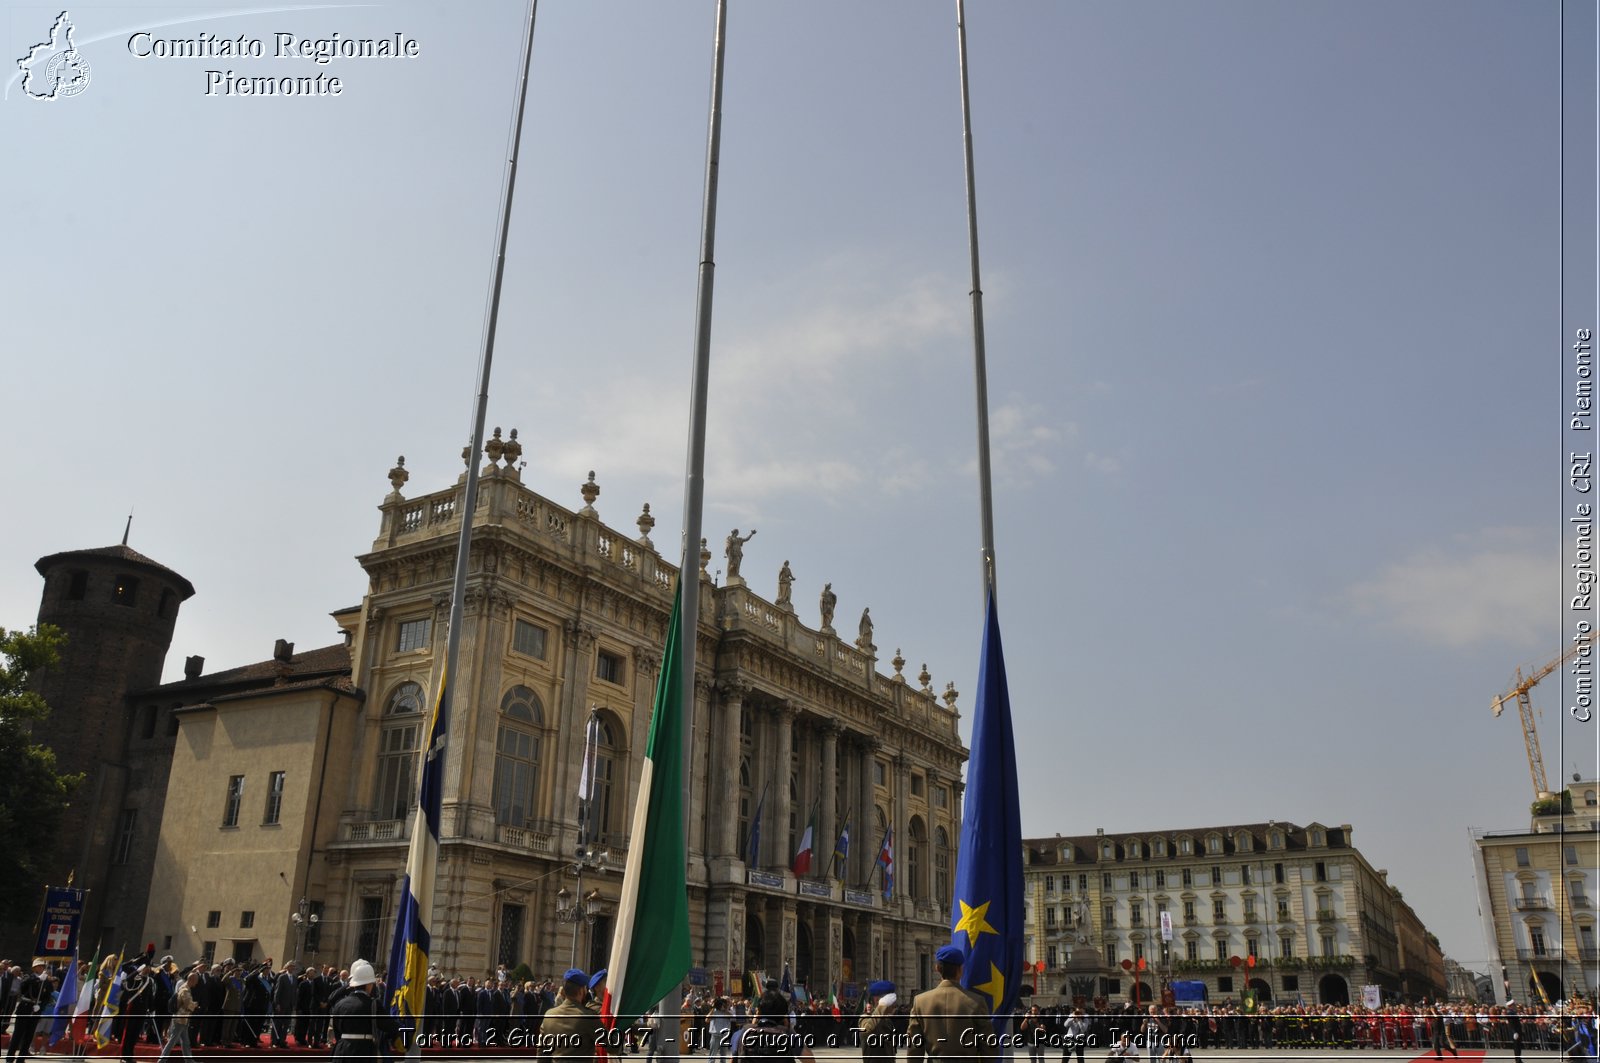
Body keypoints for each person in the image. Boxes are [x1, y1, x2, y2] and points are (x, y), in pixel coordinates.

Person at [905, 945, 993, 1062]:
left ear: (937, 968)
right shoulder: (976, 1002)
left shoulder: (920, 1001)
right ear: (960, 970)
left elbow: (914, 1049)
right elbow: (988, 1048)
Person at [330, 960, 398, 1063]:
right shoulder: (373, 1004)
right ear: (368, 985)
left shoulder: (340, 1004)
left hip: (341, 1051)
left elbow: (337, 1031)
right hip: (363, 1051)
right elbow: (389, 1026)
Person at [537, 968, 603, 1062]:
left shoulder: (549, 1014)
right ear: (581, 990)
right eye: (585, 988)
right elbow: (613, 1046)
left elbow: (542, 1053)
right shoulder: (588, 1016)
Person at [734, 990, 813, 1062]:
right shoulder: (788, 1035)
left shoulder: (740, 1033)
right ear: (783, 1015)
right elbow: (810, 1060)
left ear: (759, 1012)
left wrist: (754, 1022)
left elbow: (734, 1059)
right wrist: (790, 1030)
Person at [5, 959, 48, 1062]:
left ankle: (21, 1058)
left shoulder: (46, 981)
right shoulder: (28, 977)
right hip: (25, 1007)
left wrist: (40, 1007)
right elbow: (23, 986)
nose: (41, 968)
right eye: (39, 966)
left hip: (35, 1010)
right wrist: (37, 979)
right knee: (17, 1035)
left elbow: (47, 997)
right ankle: (10, 1057)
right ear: (34, 968)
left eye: (42, 966)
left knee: (28, 1036)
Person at [157, 971, 199, 1062]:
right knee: (172, 1042)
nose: (197, 982)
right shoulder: (185, 990)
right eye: (196, 980)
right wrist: (195, 1005)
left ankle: (189, 1061)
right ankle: (161, 1061)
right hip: (180, 1019)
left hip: (183, 1019)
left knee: (185, 1042)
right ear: (191, 980)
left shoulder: (185, 988)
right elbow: (188, 1004)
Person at [859, 982, 901, 1063]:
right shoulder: (865, 1018)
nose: (894, 1004)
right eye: (891, 1000)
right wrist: (881, 1006)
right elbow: (867, 1030)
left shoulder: (887, 1021)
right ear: (878, 1000)